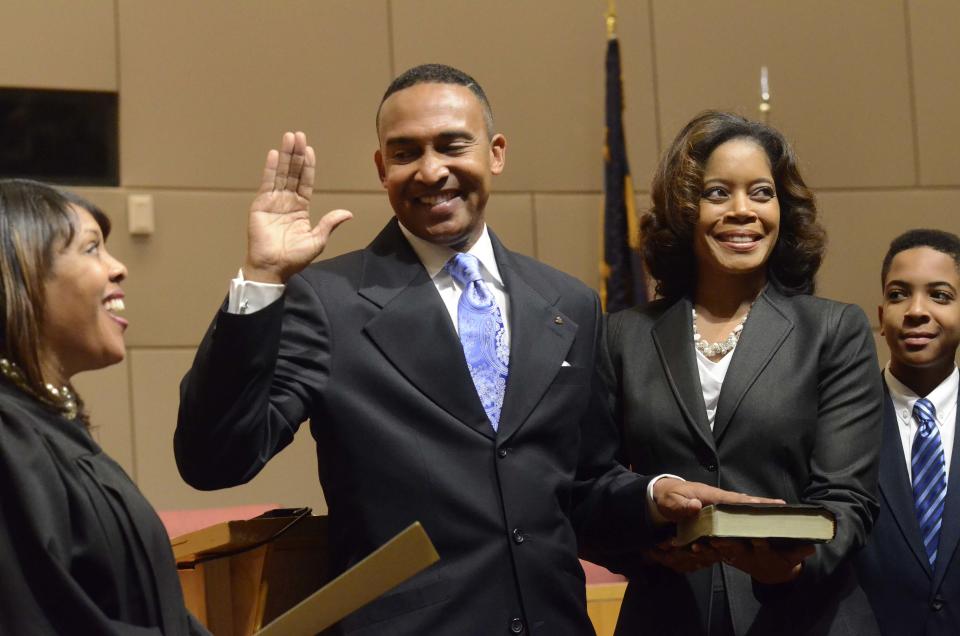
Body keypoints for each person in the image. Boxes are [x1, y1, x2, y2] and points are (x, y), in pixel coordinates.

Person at [174, 65, 760, 635]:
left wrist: (655, 496)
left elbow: (582, 486)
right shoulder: (328, 301)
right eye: (406, 153)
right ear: (382, 168)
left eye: (453, 145)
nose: (431, 171)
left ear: (495, 153)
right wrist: (261, 279)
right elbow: (215, 460)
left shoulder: (568, 303)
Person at [597, 111, 884, 635]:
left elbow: (849, 498)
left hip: (807, 615)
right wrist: (652, 540)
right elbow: (590, 486)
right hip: (668, 615)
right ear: (685, 209)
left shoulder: (834, 330)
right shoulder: (623, 336)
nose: (742, 211)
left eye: (760, 192)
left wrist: (791, 565)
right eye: (717, 193)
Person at [0, 179, 208, 635]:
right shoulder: (9, 437)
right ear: (20, 273)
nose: (119, 269)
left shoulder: (53, 428)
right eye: (92, 248)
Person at [854, 229, 960, 635]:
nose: (916, 310)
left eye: (939, 295)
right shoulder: (840, 419)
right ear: (881, 318)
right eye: (898, 294)